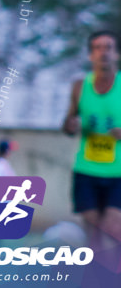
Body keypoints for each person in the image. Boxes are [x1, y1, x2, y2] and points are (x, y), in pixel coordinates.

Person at [62, 30, 121, 250]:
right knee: (93, 237)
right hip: (86, 170)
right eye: (98, 48)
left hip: (118, 173)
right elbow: (67, 124)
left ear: (117, 54)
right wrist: (71, 124)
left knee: (112, 228)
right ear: (90, 55)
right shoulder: (80, 87)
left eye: (109, 47)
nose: (103, 53)